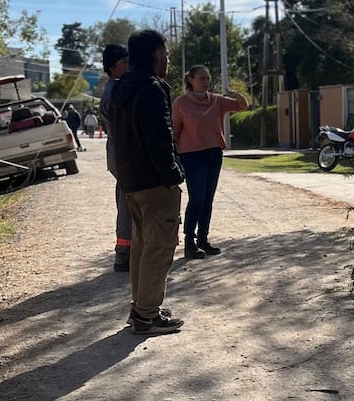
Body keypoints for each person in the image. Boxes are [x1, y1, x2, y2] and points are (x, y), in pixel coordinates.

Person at [108, 29, 185, 335]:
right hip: (155, 183)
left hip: (131, 180)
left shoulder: (121, 87)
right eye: (165, 54)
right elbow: (159, 139)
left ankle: (142, 306)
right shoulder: (151, 88)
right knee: (160, 246)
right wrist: (173, 176)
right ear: (154, 55)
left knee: (141, 246)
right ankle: (146, 315)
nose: (166, 60)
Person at [172, 64, 248, 259]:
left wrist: (236, 94)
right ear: (191, 80)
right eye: (201, 78)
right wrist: (175, 157)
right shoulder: (181, 103)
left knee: (208, 199)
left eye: (207, 78)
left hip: (213, 154)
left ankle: (203, 240)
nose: (205, 82)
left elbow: (242, 106)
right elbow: (174, 131)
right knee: (197, 198)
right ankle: (190, 240)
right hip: (191, 156)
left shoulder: (216, 101)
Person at [100, 43, 132, 273]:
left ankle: (126, 253)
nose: (129, 65)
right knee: (129, 204)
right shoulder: (115, 90)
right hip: (122, 154)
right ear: (112, 67)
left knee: (126, 201)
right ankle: (124, 254)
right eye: (124, 62)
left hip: (120, 155)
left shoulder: (118, 86)